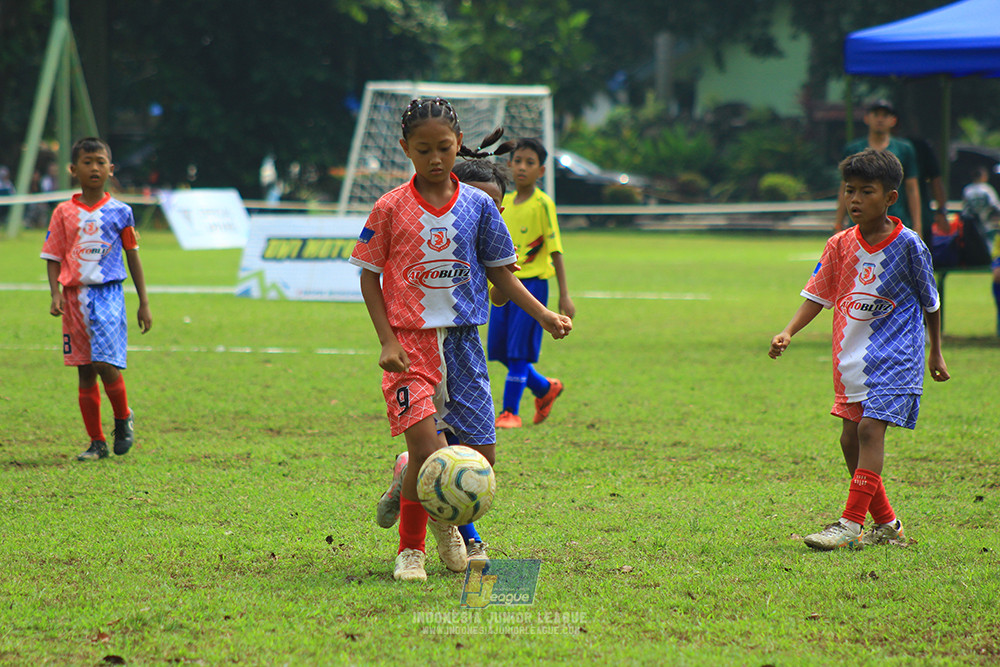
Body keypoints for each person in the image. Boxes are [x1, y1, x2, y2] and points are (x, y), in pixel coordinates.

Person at [349, 98, 572, 582]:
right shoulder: (389, 207)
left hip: (465, 345)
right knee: (433, 457)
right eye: (423, 149)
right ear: (406, 148)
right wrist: (386, 341)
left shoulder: (477, 206)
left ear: (457, 145)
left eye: (444, 148)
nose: (435, 158)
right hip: (411, 347)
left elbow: (503, 275)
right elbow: (368, 276)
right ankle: (413, 551)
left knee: (481, 461)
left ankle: (414, 478)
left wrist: (545, 314)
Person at [769, 148, 949, 550]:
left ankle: (849, 524)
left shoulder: (909, 245)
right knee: (849, 440)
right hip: (851, 357)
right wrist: (788, 331)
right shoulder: (838, 245)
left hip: (899, 354)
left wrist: (935, 352)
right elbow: (817, 295)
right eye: (849, 191)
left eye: (866, 191)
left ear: (889, 197)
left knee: (870, 429)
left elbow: (930, 303)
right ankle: (887, 524)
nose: (854, 200)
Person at [40, 137, 152, 461]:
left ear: (111, 169)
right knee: (85, 370)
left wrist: (143, 301)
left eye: (100, 162)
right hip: (74, 298)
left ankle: (123, 416)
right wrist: (55, 293)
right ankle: (96, 442)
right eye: (87, 162)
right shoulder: (63, 213)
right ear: (73, 169)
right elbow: (52, 255)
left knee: (105, 363)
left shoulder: (121, 212)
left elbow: (133, 256)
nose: (94, 168)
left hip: (108, 294)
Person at [489, 137, 576, 429]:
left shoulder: (543, 204)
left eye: (530, 162)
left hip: (533, 286)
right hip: (504, 286)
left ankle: (509, 412)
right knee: (499, 350)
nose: (522, 167)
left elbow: (555, 250)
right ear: (509, 165)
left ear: (541, 171)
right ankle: (544, 388)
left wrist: (564, 295)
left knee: (518, 352)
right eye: (518, 161)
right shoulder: (505, 203)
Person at [835, 99, 922, 238]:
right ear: (867, 118)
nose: (880, 119)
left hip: (894, 223)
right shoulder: (853, 149)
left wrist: (918, 226)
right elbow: (844, 187)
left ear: (893, 120)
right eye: (876, 114)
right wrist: (838, 223)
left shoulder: (904, 149)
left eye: (885, 115)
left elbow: (912, 188)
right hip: (859, 225)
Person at [961, 165, 1000, 335]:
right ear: (983, 176)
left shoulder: (967, 190)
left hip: (973, 230)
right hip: (988, 229)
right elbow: (995, 208)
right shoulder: (987, 190)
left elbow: (965, 211)